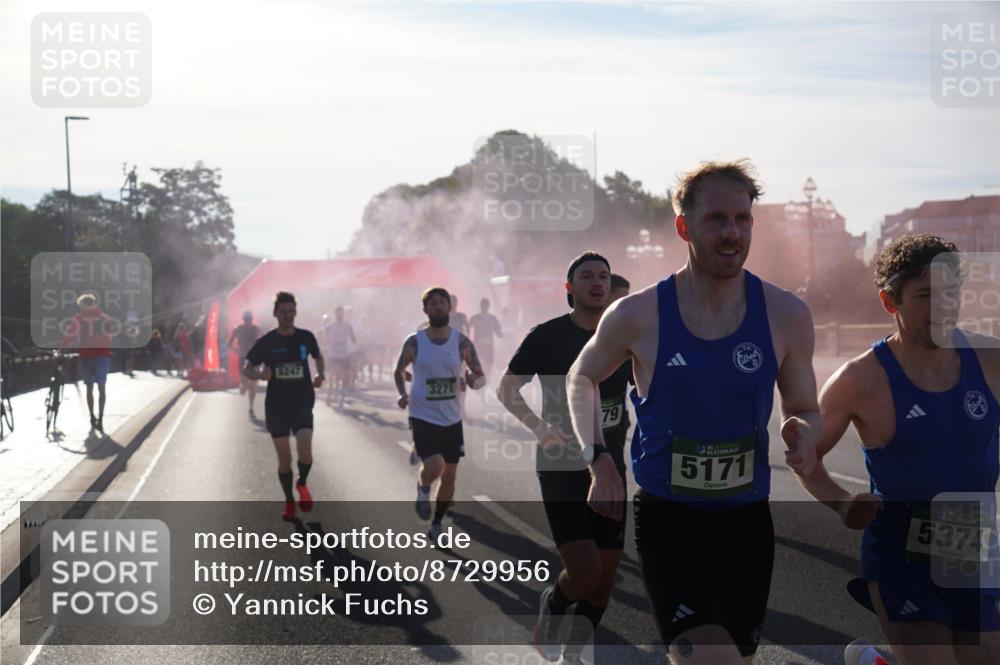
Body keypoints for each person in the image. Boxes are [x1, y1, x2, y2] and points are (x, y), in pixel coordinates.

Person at [566, 160, 820, 665]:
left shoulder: (786, 314)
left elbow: (804, 406)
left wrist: (805, 432)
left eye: (742, 219)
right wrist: (599, 460)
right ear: (684, 226)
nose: (732, 233)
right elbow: (580, 377)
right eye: (717, 220)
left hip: (748, 522)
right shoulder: (637, 314)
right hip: (670, 521)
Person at [795, 234, 1000, 665]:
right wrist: (840, 501)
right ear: (891, 302)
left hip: (973, 546)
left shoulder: (990, 359)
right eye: (926, 295)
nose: (943, 306)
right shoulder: (861, 379)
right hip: (901, 552)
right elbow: (807, 457)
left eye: (951, 293)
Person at [497, 253, 632, 664]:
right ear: (569, 288)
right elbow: (507, 389)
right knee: (586, 573)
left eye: (604, 276)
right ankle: (554, 603)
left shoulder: (626, 338)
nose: (597, 282)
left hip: (610, 469)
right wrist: (539, 427)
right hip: (561, 467)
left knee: (605, 580)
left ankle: (575, 652)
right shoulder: (547, 336)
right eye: (587, 276)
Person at [394, 287, 485, 544]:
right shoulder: (415, 341)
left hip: (451, 417)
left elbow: (480, 377)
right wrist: (402, 393)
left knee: (450, 474)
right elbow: (398, 370)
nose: (437, 307)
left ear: (450, 308)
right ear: (425, 309)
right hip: (423, 414)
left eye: (441, 303)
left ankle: (436, 524)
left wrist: (473, 379)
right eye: (432, 303)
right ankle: (423, 488)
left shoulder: (461, 342)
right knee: (435, 466)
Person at [243, 292, 325, 520]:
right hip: (277, 407)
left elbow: (318, 357)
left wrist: (320, 373)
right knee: (285, 460)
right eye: (283, 312)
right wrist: (259, 373)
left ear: (295, 312)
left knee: (305, 450)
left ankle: (303, 483)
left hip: (302, 403)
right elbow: (246, 367)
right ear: (275, 314)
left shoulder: (306, 337)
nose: (288, 316)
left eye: (291, 312)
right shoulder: (266, 342)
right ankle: (289, 501)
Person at [60, 292, 117, 432]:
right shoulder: (106, 319)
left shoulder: (79, 318)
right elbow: (110, 338)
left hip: (86, 357)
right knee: (102, 388)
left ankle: (92, 416)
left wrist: (62, 348)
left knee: (89, 388)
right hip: (103, 356)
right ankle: (101, 419)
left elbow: (70, 336)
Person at [229, 311, 261, 417]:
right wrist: (236, 351)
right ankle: (243, 388)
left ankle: (251, 407)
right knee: (246, 385)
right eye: (247, 319)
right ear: (244, 319)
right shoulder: (238, 329)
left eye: (249, 319)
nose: (248, 321)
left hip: (253, 359)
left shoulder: (255, 329)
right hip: (243, 358)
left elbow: (262, 342)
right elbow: (229, 343)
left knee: (253, 385)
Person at [322, 307, 356, 408]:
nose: (339, 315)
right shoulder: (330, 326)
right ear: (334, 314)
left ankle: (341, 399)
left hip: (344, 353)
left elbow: (354, 339)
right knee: (331, 377)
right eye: (337, 313)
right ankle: (329, 397)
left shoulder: (348, 326)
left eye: (341, 313)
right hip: (333, 354)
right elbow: (324, 339)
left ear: (343, 314)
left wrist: (352, 343)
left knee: (344, 378)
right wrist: (327, 343)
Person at [469, 298, 503, 381]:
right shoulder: (475, 318)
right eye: (482, 305)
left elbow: (499, 333)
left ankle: (486, 382)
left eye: (485, 305)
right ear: (480, 306)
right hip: (478, 347)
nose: (483, 307)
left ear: (488, 306)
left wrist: (504, 334)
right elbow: (467, 327)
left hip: (489, 348)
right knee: (478, 366)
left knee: (488, 367)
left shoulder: (492, 319)